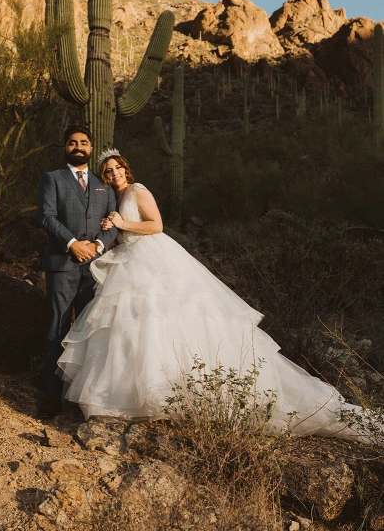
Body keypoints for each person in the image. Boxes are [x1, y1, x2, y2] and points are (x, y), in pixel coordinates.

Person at [57, 149, 371, 441]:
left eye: (117, 168)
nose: (114, 173)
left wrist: (123, 222)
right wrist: (110, 231)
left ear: (126, 168)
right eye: (108, 171)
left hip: (153, 258)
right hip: (127, 260)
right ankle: (129, 395)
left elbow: (156, 225)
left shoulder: (138, 190)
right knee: (130, 326)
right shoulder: (112, 196)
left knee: (165, 319)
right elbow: (120, 235)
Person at [37, 128, 118, 417]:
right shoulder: (53, 179)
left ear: (91, 147)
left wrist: (97, 246)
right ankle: (51, 398)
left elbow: (113, 223)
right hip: (62, 263)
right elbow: (46, 216)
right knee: (57, 327)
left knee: (88, 332)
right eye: (73, 142)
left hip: (95, 268)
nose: (78, 146)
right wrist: (72, 244)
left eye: (83, 142)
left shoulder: (103, 184)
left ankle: (79, 398)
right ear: (66, 147)